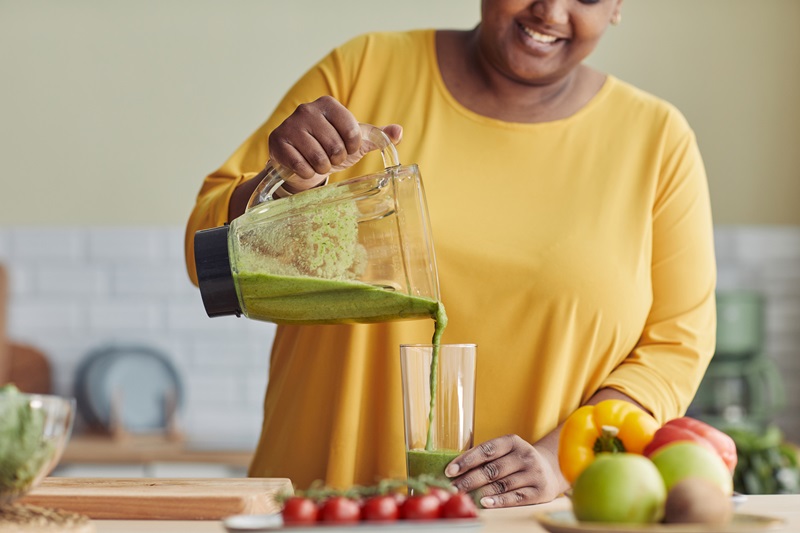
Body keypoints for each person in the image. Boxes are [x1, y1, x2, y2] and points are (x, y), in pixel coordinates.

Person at [185, 0, 716, 508]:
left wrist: (557, 463)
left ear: (617, 7)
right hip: (318, 506)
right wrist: (287, 185)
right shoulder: (365, 69)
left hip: (525, 519)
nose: (551, 12)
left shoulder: (657, 141)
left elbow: (676, 345)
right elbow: (202, 254)